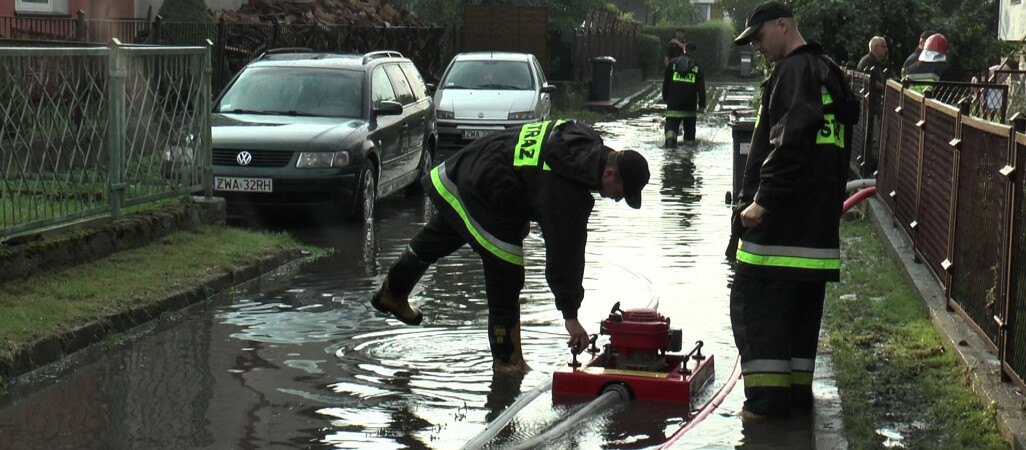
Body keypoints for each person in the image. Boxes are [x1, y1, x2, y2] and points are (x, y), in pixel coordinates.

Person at [370, 119, 650, 371]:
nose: (616, 199)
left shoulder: (581, 134)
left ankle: (392, 292)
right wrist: (570, 315)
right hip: (490, 189)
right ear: (611, 173)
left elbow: (531, 169)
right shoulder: (569, 193)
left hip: (474, 166)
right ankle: (508, 364)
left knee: (442, 234)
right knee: (507, 272)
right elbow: (565, 255)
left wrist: (523, 210)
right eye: (621, 193)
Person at [728, 1, 859, 419]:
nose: (757, 47)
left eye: (759, 37)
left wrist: (761, 203)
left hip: (777, 234)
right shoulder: (830, 72)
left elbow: (791, 144)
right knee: (799, 327)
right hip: (815, 237)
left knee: (757, 316)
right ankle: (796, 403)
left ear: (782, 26)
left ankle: (765, 417)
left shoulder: (793, 71)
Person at [662, 42, 707, 147]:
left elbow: (666, 83)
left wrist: (665, 98)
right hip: (689, 109)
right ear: (693, 52)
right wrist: (702, 105)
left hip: (673, 107)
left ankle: (670, 147)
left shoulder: (672, 64)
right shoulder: (696, 67)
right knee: (689, 143)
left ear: (684, 50)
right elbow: (701, 89)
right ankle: (687, 156)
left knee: (670, 134)